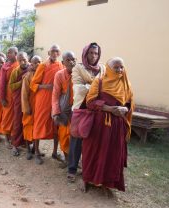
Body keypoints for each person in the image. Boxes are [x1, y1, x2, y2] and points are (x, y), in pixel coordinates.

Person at [81, 57, 134, 194]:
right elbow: (90, 102)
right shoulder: (98, 82)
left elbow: (129, 104)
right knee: (92, 152)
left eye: (121, 67)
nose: (119, 70)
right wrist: (109, 109)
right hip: (98, 125)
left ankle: (106, 182)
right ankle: (87, 179)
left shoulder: (126, 84)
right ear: (109, 68)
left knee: (112, 154)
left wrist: (125, 109)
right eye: (116, 67)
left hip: (117, 126)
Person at [67, 42, 106, 182]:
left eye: (96, 53)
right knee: (76, 139)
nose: (93, 56)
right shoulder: (78, 67)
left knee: (92, 141)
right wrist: (96, 87)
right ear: (85, 53)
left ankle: (88, 169)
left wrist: (88, 86)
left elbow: (106, 88)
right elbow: (78, 88)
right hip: (80, 108)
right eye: (91, 53)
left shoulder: (103, 68)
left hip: (96, 109)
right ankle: (72, 168)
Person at [30, 45, 64, 165]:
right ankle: (37, 152)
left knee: (56, 125)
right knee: (39, 123)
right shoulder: (43, 66)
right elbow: (33, 84)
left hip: (56, 99)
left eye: (57, 51)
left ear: (59, 53)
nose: (54, 53)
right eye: (52, 51)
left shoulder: (61, 66)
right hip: (43, 99)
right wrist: (46, 86)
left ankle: (55, 152)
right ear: (49, 52)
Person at [52, 51, 76, 168]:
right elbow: (55, 95)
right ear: (63, 62)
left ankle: (74, 160)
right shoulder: (59, 75)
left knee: (75, 137)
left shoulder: (79, 73)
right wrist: (56, 112)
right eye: (68, 60)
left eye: (73, 59)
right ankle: (67, 159)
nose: (72, 62)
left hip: (77, 110)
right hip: (64, 110)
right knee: (64, 136)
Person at [9, 52, 30, 156]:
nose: (23, 62)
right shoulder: (15, 71)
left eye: (24, 59)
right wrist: (22, 82)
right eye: (20, 60)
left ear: (28, 58)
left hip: (30, 100)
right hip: (18, 100)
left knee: (28, 122)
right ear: (17, 61)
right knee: (17, 122)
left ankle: (27, 143)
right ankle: (15, 145)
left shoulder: (32, 68)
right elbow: (11, 86)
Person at [21, 55, 42, 160]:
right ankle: (28, 150)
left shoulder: (43, 74)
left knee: (37, 127)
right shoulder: (28, 76)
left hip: (39, 106)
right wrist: (26, 108)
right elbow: (24, 94)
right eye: (35, 63)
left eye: (39, 62)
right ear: (31, 64)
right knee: (27, 126)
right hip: (29, 106)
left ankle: (36, 148)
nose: (37, 64)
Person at [0, 47, 20, 148]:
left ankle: (14, 138)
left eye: (9, 53)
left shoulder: (20, 64)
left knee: (16, 117)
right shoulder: (5, 67)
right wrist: (2, 98)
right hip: (8, 95)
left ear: (15, 53)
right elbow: (2, 83)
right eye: (7, 53)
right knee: (7, 117)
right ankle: (7, 138)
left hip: (19, 95)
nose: (7, 55)